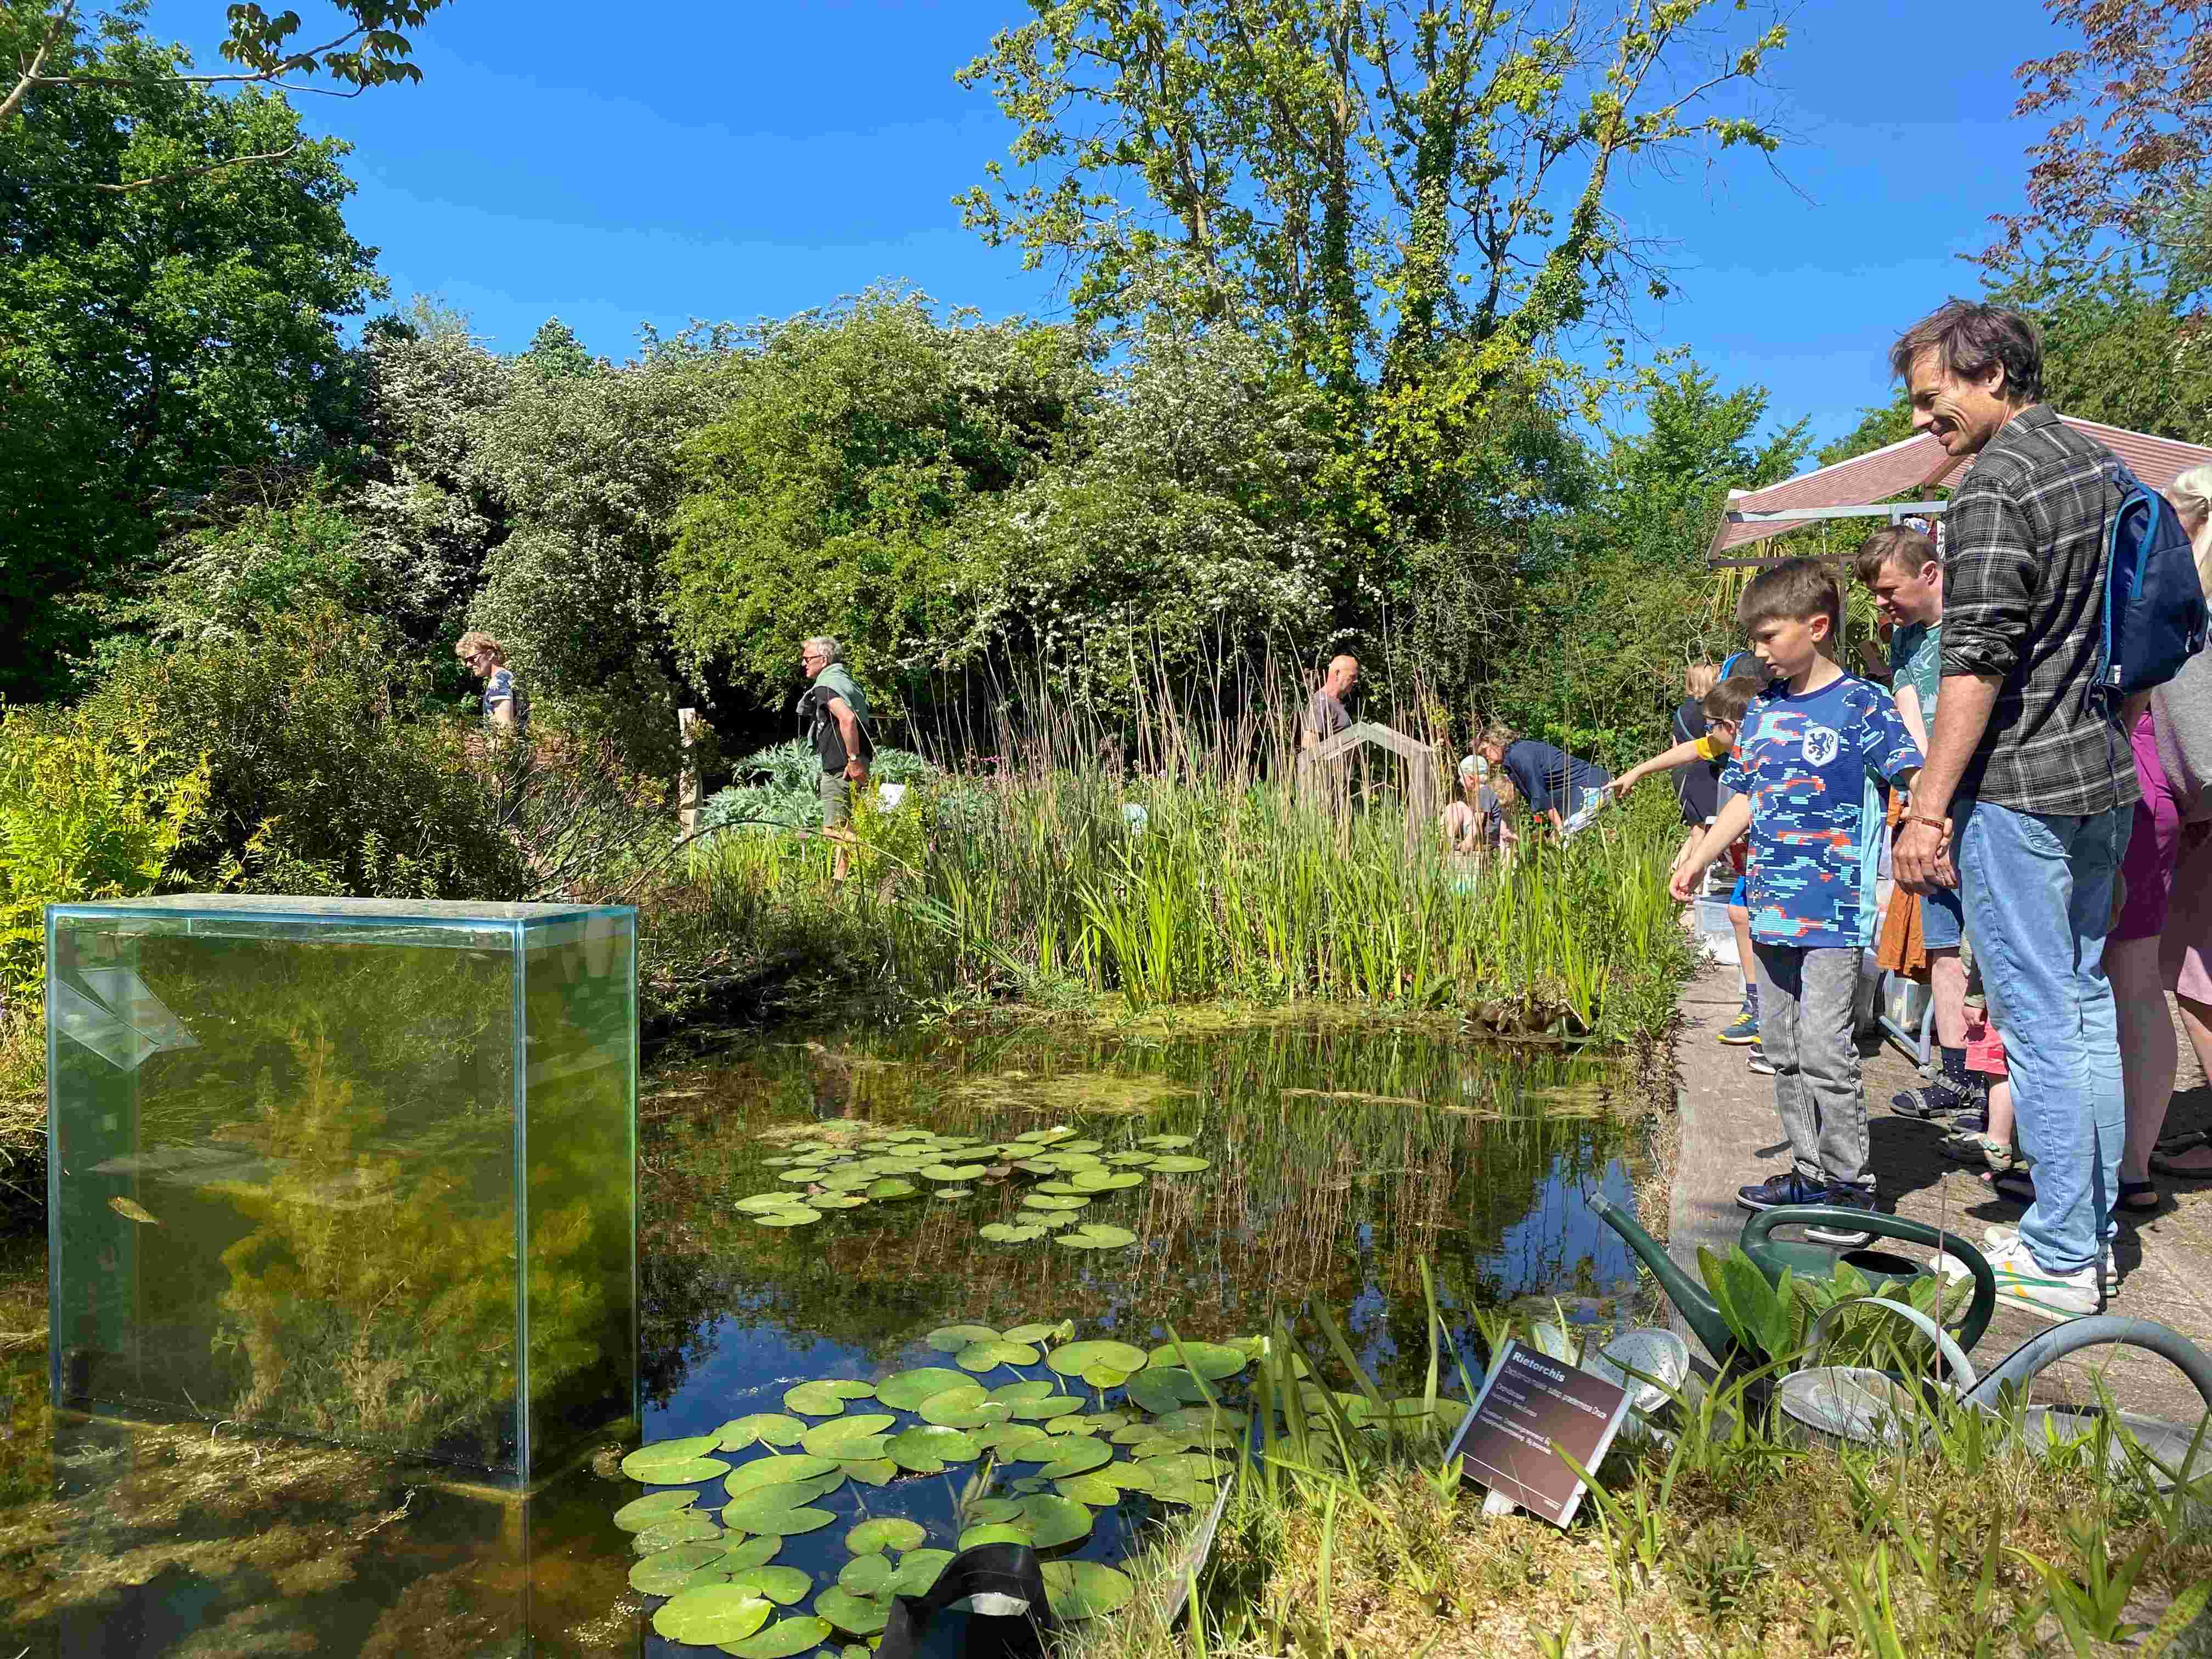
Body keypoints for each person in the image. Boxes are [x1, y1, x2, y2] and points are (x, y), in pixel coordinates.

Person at [1887, 299, 2138, 1319]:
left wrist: (1927, 810)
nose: (1919, 422)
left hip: (2023, 787)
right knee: (2083, 1010)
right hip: (2102, 776)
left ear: (1990, 372)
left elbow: (1975, 658)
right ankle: (2088, 1228)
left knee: (2040, 1020)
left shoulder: (1994, 485)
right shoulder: (2096, 467)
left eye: (1929, 396)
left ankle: (2064, 1250)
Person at [1669, 559, 1922, 1243]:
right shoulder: (1765, 712)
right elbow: (1744, 796)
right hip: (1771, 904)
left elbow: (1914, 771)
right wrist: (1697, 858)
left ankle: (1851, 1186)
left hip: (1832, 913)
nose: (1757, 651)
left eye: (1768, 636)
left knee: (1825, 1050)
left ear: (1817, 626)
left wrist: (1928, 825)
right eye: (1753, 637)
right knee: (1782, 1048)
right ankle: (1809, 1171)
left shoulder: (1861, 705)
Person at [1851, 525, 1977, 1122]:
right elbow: (1910, 724)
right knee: (1944, 945)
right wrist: (1925, 803)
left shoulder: (1975, 624)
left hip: (1982, 802)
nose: (1880, 602)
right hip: (1931, 808)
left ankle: (1997, 1084)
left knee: (1991, 955)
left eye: (1887, 589)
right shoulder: (1905, 640)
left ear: (1931, 573)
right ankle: (1956, 1075)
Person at [2135, 464, 2212, 1184]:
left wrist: (2185, 809)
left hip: (2203, 820)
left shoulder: (2195, 606)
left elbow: (2199, 752)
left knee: (2192, 975)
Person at [798, 635, 873, 881]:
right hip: (859, 763)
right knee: (849, 829)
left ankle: (881, 850)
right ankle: (837, 888)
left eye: (807, 658)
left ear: (824, 659)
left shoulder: (826, 685)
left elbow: (848, 718)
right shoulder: (847, 681)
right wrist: (858, 760)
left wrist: (851, 759)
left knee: (831, 830)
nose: (804, 663)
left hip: (841, 766)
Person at [1476, 724, 1612, 838]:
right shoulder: (1517, 754)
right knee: (1568, 846)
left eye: (1484, 751)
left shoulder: (1518, 755)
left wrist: (1559, 829)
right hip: (1589, 789)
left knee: (1563, 846)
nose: (1485, 757)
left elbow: (1540, 795)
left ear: (1495, 742)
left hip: (1590, 789)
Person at [1444, 754, 1516, 859]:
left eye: (1461, 777)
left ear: (1471, 778)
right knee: (1454, 808)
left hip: (1484, 836)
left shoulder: (1484, 792)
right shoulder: (1483, 792)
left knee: (1457, 807)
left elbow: (1479, 818)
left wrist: (1469, 839)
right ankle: (1449, 840)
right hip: (1483, 834)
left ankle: (1447, 840)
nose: (1460, 781)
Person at [456, 631, 528, 735]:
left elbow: (505, 731)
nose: (468, 665)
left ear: (490, 654)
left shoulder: (498, 683)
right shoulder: (511, 678)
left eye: (472, 659)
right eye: (466, 660)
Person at [1304, 654, 1359, 747]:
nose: (1356, 681)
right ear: (1337, 674)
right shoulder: (1320, 701)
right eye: (1352, 676)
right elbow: (1309, 743)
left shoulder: (1337, 701)